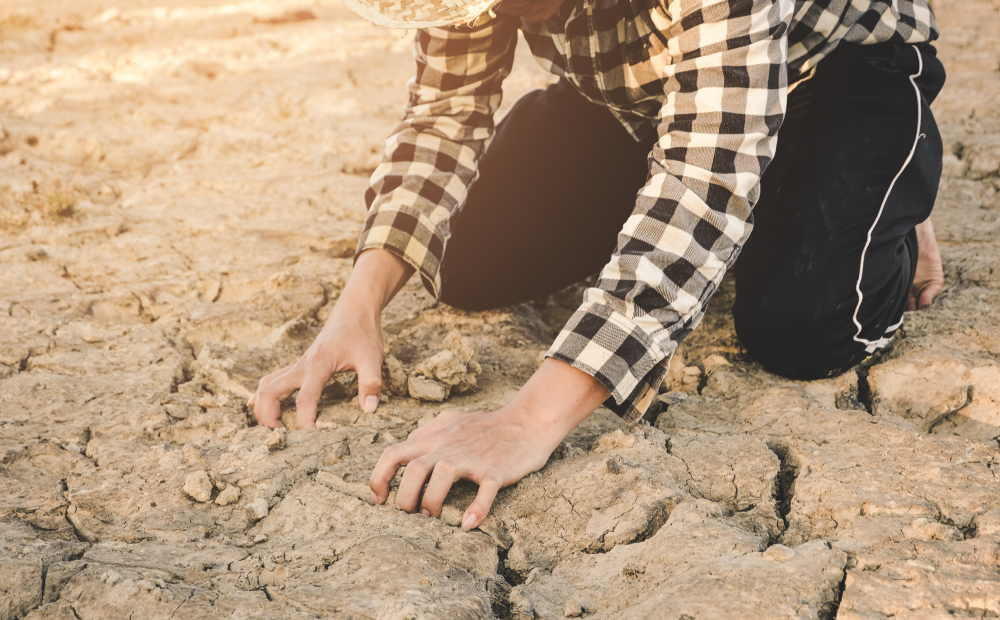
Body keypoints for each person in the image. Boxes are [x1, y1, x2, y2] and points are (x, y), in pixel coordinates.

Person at [248, 0, 945, 531]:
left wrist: (527, 420)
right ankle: (767, 203)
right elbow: (446, 109)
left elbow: (703, 181)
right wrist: (358, 305)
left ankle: (891, 192)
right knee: (460, 258)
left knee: (801, 324)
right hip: (644, 100)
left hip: (831, 80)